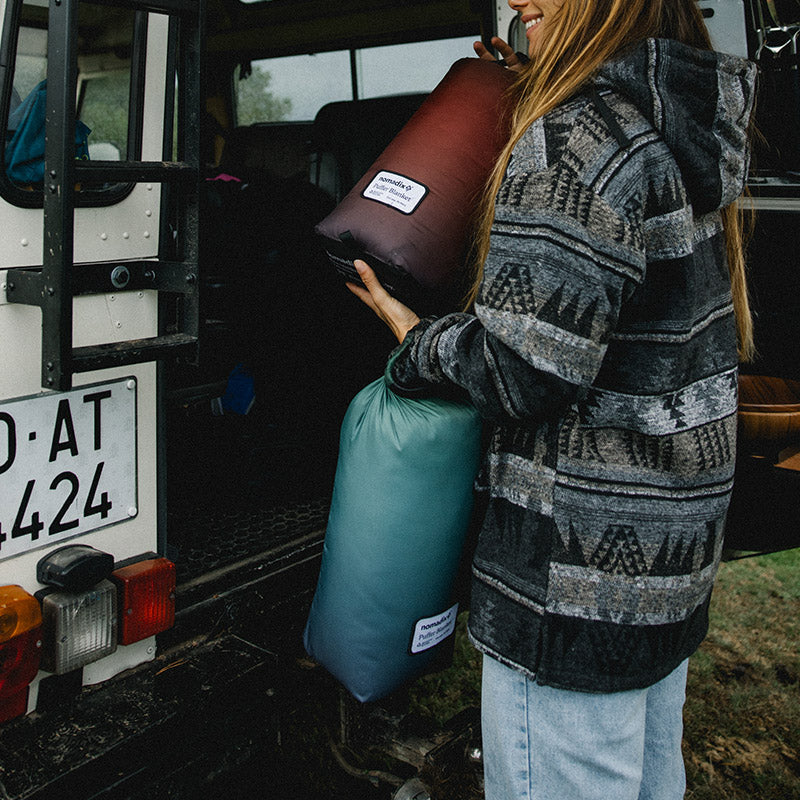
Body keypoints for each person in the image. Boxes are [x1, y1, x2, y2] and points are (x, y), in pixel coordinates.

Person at [346, 0, 756, 797]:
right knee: (645, 777)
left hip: (572, 580)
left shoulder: (577, 137)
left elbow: (522, 372)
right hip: (661, 562)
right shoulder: (674, 118)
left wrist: (416, 337)